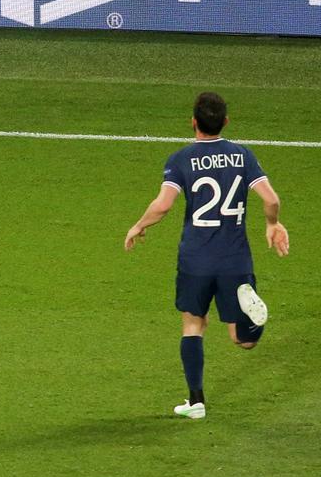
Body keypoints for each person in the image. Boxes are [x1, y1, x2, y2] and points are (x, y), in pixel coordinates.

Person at [124, 92, 290, 419]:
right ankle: (256, 321)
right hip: (235, 260)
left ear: (193, 122)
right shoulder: (243, 156)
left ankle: (195, 401)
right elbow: (271, 199)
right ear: (225, 122)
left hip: (196, 260)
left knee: (193, 324)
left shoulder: (181, 159)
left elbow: (164, 205)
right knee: (243, 341)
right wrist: (272, 224)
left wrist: (139, 226)